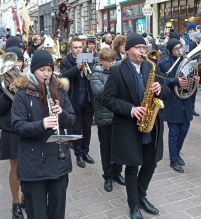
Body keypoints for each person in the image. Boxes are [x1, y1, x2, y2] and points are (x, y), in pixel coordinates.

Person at [102, 33, 170, 218]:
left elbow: (168, 91)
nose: (143, 51)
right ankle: (133, 205)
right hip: (128, 126)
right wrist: (131, 110)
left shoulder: (151, 67)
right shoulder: (117, 70)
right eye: (138, 47)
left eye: (144, 47)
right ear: (128, 49)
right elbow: (107, 99)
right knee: (132, 166)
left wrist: (160, 90)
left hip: (151, 125)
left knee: (150, 163)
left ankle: (141, 196)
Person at [11, 50, 76, 219]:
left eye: (49, 70)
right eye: (42, 70)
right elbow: (18, 126)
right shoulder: (22, 94)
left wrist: (62, 114)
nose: (46, 74)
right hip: (33, 162)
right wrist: (41, 125)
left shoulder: (60, 91)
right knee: (37, 212)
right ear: (33, 70)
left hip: (58, 160)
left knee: (57, 210)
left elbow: (72, 120)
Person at [0, 47, 25, 219]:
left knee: (30, 165)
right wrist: (8, 93)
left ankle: (27, 197)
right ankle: (15, 202)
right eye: (13, 62)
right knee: (15, 167)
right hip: (11, 129)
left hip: (28, 126)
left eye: (18, 61)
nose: (16, 66)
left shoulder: (27, 78)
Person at [159, 39, 198, 173]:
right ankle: (173, 159)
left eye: (180, 47)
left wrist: (195, 80)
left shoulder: (186, 61)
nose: (179, 50)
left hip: (185, 100)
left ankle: (177, 152)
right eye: (176, 48)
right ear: (170, 50)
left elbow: (191, 77)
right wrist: (176, 81)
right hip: (172, 101)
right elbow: (160, 80)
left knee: (184, 129)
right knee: (174, 132)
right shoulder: (164, 64)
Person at [90, 48, 125, 192]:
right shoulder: (96, 74)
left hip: (118, 115)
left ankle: (117, 172)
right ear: (101, 61)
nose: (111, 64)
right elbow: (98, 92)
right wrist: (113, 79)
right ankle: (108, 176)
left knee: (120, 147)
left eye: (113, 61)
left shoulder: (118, 72)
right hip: (104, 117)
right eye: (108, 62)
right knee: (106, 149)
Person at [60, 37, 95, 168]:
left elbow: (92, 75)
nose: (78, 49)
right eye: (75, 47)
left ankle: (86, 151)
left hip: (88, 99)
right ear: (71, 49)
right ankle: (78, 154)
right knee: (76, 129)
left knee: (87, 129)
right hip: (74, 100)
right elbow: (64, 77)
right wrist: (77, 68)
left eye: (80, 47)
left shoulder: (88, 58)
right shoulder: (65, 61)